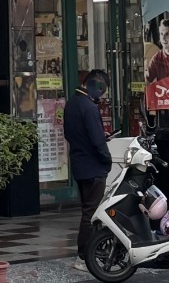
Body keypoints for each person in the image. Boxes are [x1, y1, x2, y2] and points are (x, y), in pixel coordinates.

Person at [63, 69, 112, 273]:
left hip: (79, 163)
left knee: (87, 210)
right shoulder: (89, 107)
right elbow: (97, 141)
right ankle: (84, 257)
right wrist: (107, 159)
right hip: (93, 167)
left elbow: (69, 134)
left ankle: (90, 254)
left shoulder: (71, 103)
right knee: (91, 214)